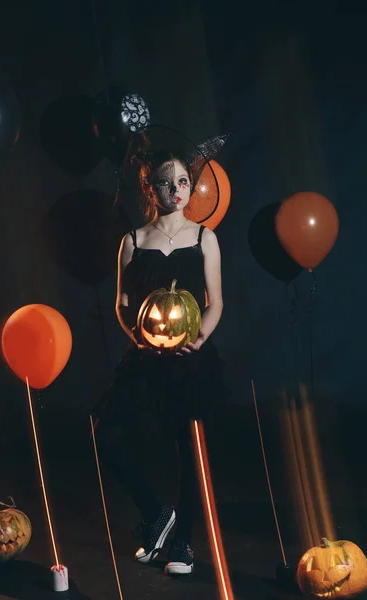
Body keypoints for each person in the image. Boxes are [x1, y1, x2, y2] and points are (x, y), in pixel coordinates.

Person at [93, 126, 227, 576]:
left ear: (191, 187)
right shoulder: (133, 241)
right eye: (165, 183)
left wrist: (199, 340)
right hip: (147, 358)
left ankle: (184, 543)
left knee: (189, 451)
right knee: (108, 433)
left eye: (183, 182)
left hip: (190, 361)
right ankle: (155, 515)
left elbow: (216, 300)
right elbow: (122, 303)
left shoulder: (204, 237)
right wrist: (137, 338)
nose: (176, 191)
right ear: (150, 188)